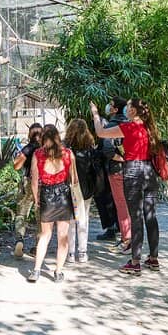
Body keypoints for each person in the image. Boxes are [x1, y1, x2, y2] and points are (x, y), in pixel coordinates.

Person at [90, 98, 161, 275]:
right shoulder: (149, 128)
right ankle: (153, 258)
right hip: (149, 172)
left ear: (133, 111)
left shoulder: (128, 127)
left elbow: (100, 132)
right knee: (150, 216)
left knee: (136, 217)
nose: (126, 109)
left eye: (129, 106)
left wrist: (95, 113)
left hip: (133, 171)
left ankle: (135, 262)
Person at [27, 124, 79, 283]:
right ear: (57, 136)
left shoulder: (37, 154)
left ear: (43, 138)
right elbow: (74, 179)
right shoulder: (68, 154)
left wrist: (36, 200)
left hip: (46, 196)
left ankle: (36, 270)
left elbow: (34, 181)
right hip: (63, 196)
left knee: (45, 235)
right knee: (63, 236)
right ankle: (58, 272)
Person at [100, 97, 132, 252]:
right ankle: (133, 237)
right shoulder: (131, 124)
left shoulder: (112, 125)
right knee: (132, 204)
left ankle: (127, 239)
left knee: (121, 205)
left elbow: (107, 149)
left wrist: (121, 159)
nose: (108, 107)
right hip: (134, 169)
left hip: (117, 170)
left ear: (115, 109)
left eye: (111, 105)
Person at [64, 118, 97, 263]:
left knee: (70, 219)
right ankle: (82, 252)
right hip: (85, 188)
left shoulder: (64, 148)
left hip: (68, 187)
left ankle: (70, 253)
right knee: (84, 218)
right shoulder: (89, 148)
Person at [11, 123, 43, 258]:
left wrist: (18, 160)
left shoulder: (28, 148)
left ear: (30, 134)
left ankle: (19, 239)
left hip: (28, 183)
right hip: (43, 184)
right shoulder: (45, 149)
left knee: (21, 214)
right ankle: (38, 246)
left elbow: (16, 166)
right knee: (41, 216)